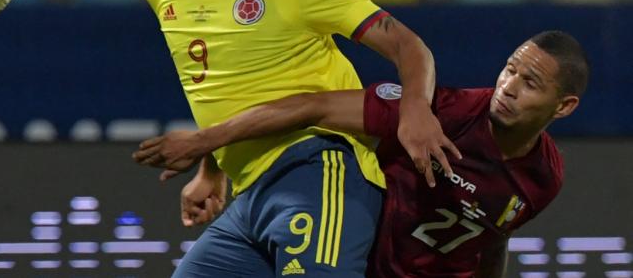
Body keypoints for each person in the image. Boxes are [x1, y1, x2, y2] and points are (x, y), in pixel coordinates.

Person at [138, 0, 452, 276]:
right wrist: (212, 170)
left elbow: (408, 45)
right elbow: (221, 81)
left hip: (318, 168)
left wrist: (415, 109)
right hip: (249, 194)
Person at [135, 31, 589, 277]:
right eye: (510, 69)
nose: (508, 87)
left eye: (529, 84)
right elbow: (311, 106)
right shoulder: (436, 112)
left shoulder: (545, 177)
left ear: (563, 106)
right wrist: (208, 148)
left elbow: (493, 237)